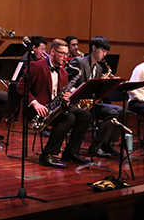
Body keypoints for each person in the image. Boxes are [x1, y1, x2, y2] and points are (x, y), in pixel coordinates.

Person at [17, 39, 92, 168]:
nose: (65, 57)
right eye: (62, 53)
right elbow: (20, 87)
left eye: (67, 54)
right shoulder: (36, 66)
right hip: (36, 108)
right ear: (52, 51)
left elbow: (61, 92)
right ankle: (47, 155)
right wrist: (35, 103)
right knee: (69, 118)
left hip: (55, 107)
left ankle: (71, 152)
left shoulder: (63, 72)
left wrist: (72, 96)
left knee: (85, 115)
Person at [68, 36, 122, 158]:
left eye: (106, 51)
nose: (104, 54)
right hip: (75, 102)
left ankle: (101, 144)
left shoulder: (99, 68)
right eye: (102, 50)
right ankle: (92, 148)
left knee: (119, 111)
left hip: (90, 104)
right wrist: (78, 93)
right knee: (88, 116)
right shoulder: (79, 62)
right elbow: (65, 81)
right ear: (94, 48)